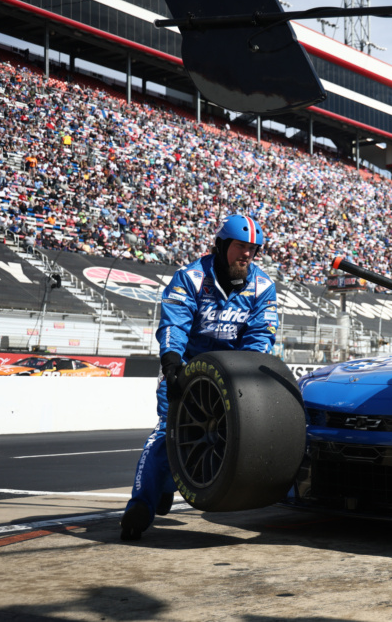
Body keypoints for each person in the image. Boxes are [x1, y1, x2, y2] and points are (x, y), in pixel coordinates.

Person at [120, 214, 279, 540]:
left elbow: (261, 336)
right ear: (221, 245)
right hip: (187, 371)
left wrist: (246, 376)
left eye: (253, 249)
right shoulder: (189, 278)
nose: (247, 254)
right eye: (240, 246)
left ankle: (167, 483)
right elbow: (173, 325)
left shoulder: (263, 286)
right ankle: (140, 506)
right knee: (168, 433)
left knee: (224, 440)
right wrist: (172, 365)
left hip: (232, 378)